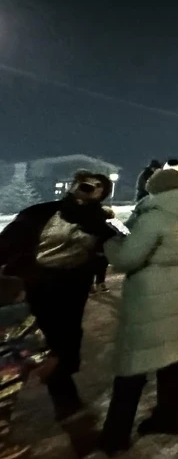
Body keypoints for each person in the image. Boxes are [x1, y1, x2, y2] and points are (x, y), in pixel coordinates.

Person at [98, 167, 178, 454]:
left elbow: (127, 258)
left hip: (154, 296)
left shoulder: (154, 216)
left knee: (132, 368)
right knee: (173, 360)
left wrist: (110, 242)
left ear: (155, 190)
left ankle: (115, 435)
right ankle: (170, 418)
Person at [0, 171, 115, 420]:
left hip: (71, 292)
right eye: (85, 184)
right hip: (33, 289)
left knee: (61, 343)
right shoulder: (40, 213)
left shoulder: (102, 222)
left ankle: (65, 400)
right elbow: (8, 243)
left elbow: (123, 243)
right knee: (23, 345)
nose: (89, 189)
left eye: (98, 187)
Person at [0, 275, 53, 459]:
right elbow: (29, 347)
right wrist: (41, 359)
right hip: (9, 372)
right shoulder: (21, 318)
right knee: (3, 408)